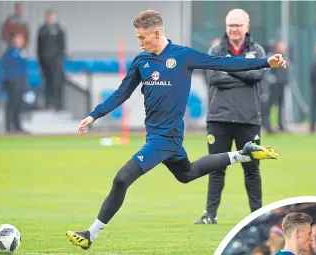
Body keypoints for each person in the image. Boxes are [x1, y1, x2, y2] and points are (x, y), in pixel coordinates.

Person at [66, 9, 285, 250]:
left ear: (157, 33)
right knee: (187, 174)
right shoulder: (142, 61)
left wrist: (266, 61)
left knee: (121, 179)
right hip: (161, 138)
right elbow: (121, 93)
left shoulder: (183, 56)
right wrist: (93, 115)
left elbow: (224, 62)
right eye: (137, 37)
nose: (139, 42)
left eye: (142, 37)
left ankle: (90, 234)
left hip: (164, 139)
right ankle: (242, 155)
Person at [195, 8, 268, 225]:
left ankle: (257, 216)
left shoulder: (258, 50)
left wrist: (228, 68)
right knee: (216, 169)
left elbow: (257, 75)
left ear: (246, 27)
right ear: (226, 27)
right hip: (219, 119)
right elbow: (213, 77)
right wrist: (244, 71)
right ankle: (210, 215)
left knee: (252, 169)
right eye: (230, 25)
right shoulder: (216, 50)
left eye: (237, 25)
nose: (234, 29)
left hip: (248, 120)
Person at [37, 9, 66, 111]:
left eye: (52, 17)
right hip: (45, 63)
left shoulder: (59, 30)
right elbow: (39, 47)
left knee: (57, 83)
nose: (50, 19)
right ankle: (48, 103)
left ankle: (58, 104)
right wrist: (40, 61)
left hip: (56, 63)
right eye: (48, 17)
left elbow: (62, 46)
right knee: (47, 83)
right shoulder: (42, 30)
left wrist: (60, 59)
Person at [1, 33, 27, 134]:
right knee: (11, 103)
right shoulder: (9, 53)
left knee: (18, 104)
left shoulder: (22, 52)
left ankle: (17, 125)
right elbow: (6, 67)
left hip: (20, 81)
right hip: (12, 81)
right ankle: (8, 126)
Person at [310, 42, 316, 133]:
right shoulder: (315, 59)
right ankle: (312, 126)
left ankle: (312, 126)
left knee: (313, 106)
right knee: (313, 106)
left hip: (315, 86)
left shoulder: (315, 60)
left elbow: (312, 74)